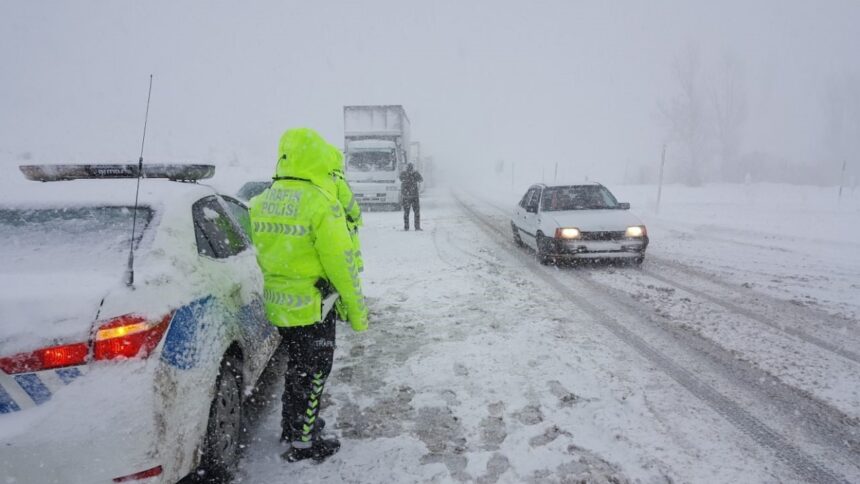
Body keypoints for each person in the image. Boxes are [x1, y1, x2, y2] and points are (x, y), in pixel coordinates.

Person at [248, 128, 369, 463]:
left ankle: (294, 424)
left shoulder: (262, 200)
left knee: (297, 367)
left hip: (279, 305)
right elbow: (342, 265)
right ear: (317, 158)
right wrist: (357, 312)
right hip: (312, 306)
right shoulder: (320, 204)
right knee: (314, 372)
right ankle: (304, 442)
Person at [325, 143, 364, 273]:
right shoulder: (338, 180)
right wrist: (357, 219)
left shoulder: (317, 179)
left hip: (324, 225)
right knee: (348, 255)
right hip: (341, 224)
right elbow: (351, 205)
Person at [399, 162, 423, 230]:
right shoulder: (415, 173)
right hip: (414, 196)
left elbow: (400, 179)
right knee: (417, 212)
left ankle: (406, 227)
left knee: (406, 212)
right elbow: (421, 180)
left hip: (406, 196)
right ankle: (417, 227)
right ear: (412, 167)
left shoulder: (403, 173)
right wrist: (415, 174)